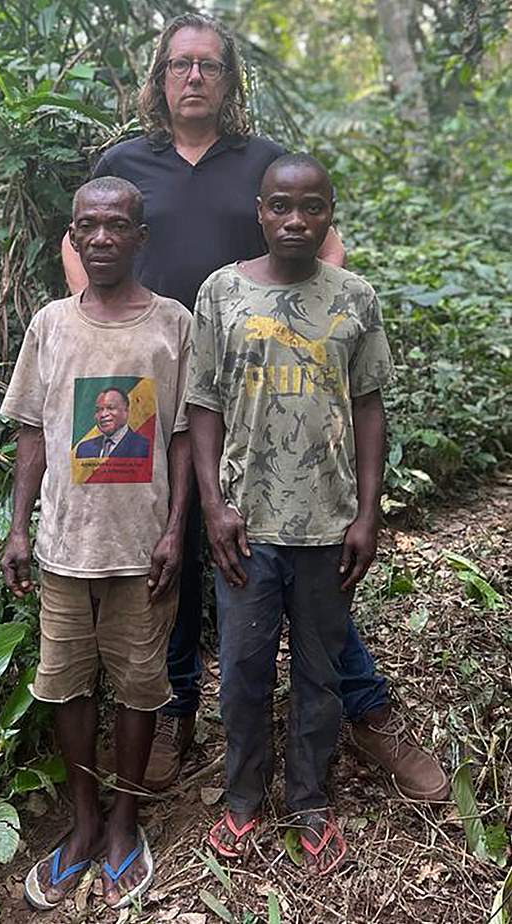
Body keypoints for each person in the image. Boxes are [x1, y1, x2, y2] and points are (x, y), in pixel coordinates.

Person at [61, 12, 449, 805]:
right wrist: (107, 326)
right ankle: (174, 712)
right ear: (160, 78)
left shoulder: (266, 163)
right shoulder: (125, 161)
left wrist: (302, 335)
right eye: (180, 65)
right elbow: (83, 241)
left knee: (302, 556)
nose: (194, 78)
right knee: (168, 555)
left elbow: (324, 254)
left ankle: (365, 712)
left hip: (261, 393)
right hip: (144, 393)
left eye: (209, 65)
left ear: (230, 80)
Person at [187, 153, 392, 872]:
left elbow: (368, 407)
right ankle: (242, 798)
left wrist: (368, 512)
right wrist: (214, 504)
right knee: (242, 670)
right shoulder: (221, 293)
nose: (296, 220)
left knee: (320, 671)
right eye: (281, 205)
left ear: (331, 212)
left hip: (328, 526)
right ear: (261, 209)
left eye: (312, 206)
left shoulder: (355, 296)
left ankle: (309, 798)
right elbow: (203, 404)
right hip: (247, 525)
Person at [1, 176, 192, 910]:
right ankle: (81, 825)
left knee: (141, 689)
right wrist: (19, 527)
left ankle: (124, 821)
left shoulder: (172, 325)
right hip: (63, 550)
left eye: (118, 225)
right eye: (90, 226)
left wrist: (177, 532)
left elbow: (181, 435)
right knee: (65, 684)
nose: (104, 237)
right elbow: (31, 435)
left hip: (143, 551)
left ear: (141, 237)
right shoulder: (51, 324)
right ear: (74, 238)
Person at [76, 388, 151, 459]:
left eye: (111, 408)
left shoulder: (144, 447)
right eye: (98, 410)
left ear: (126, 411)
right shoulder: (84, 449)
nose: (103, 414)